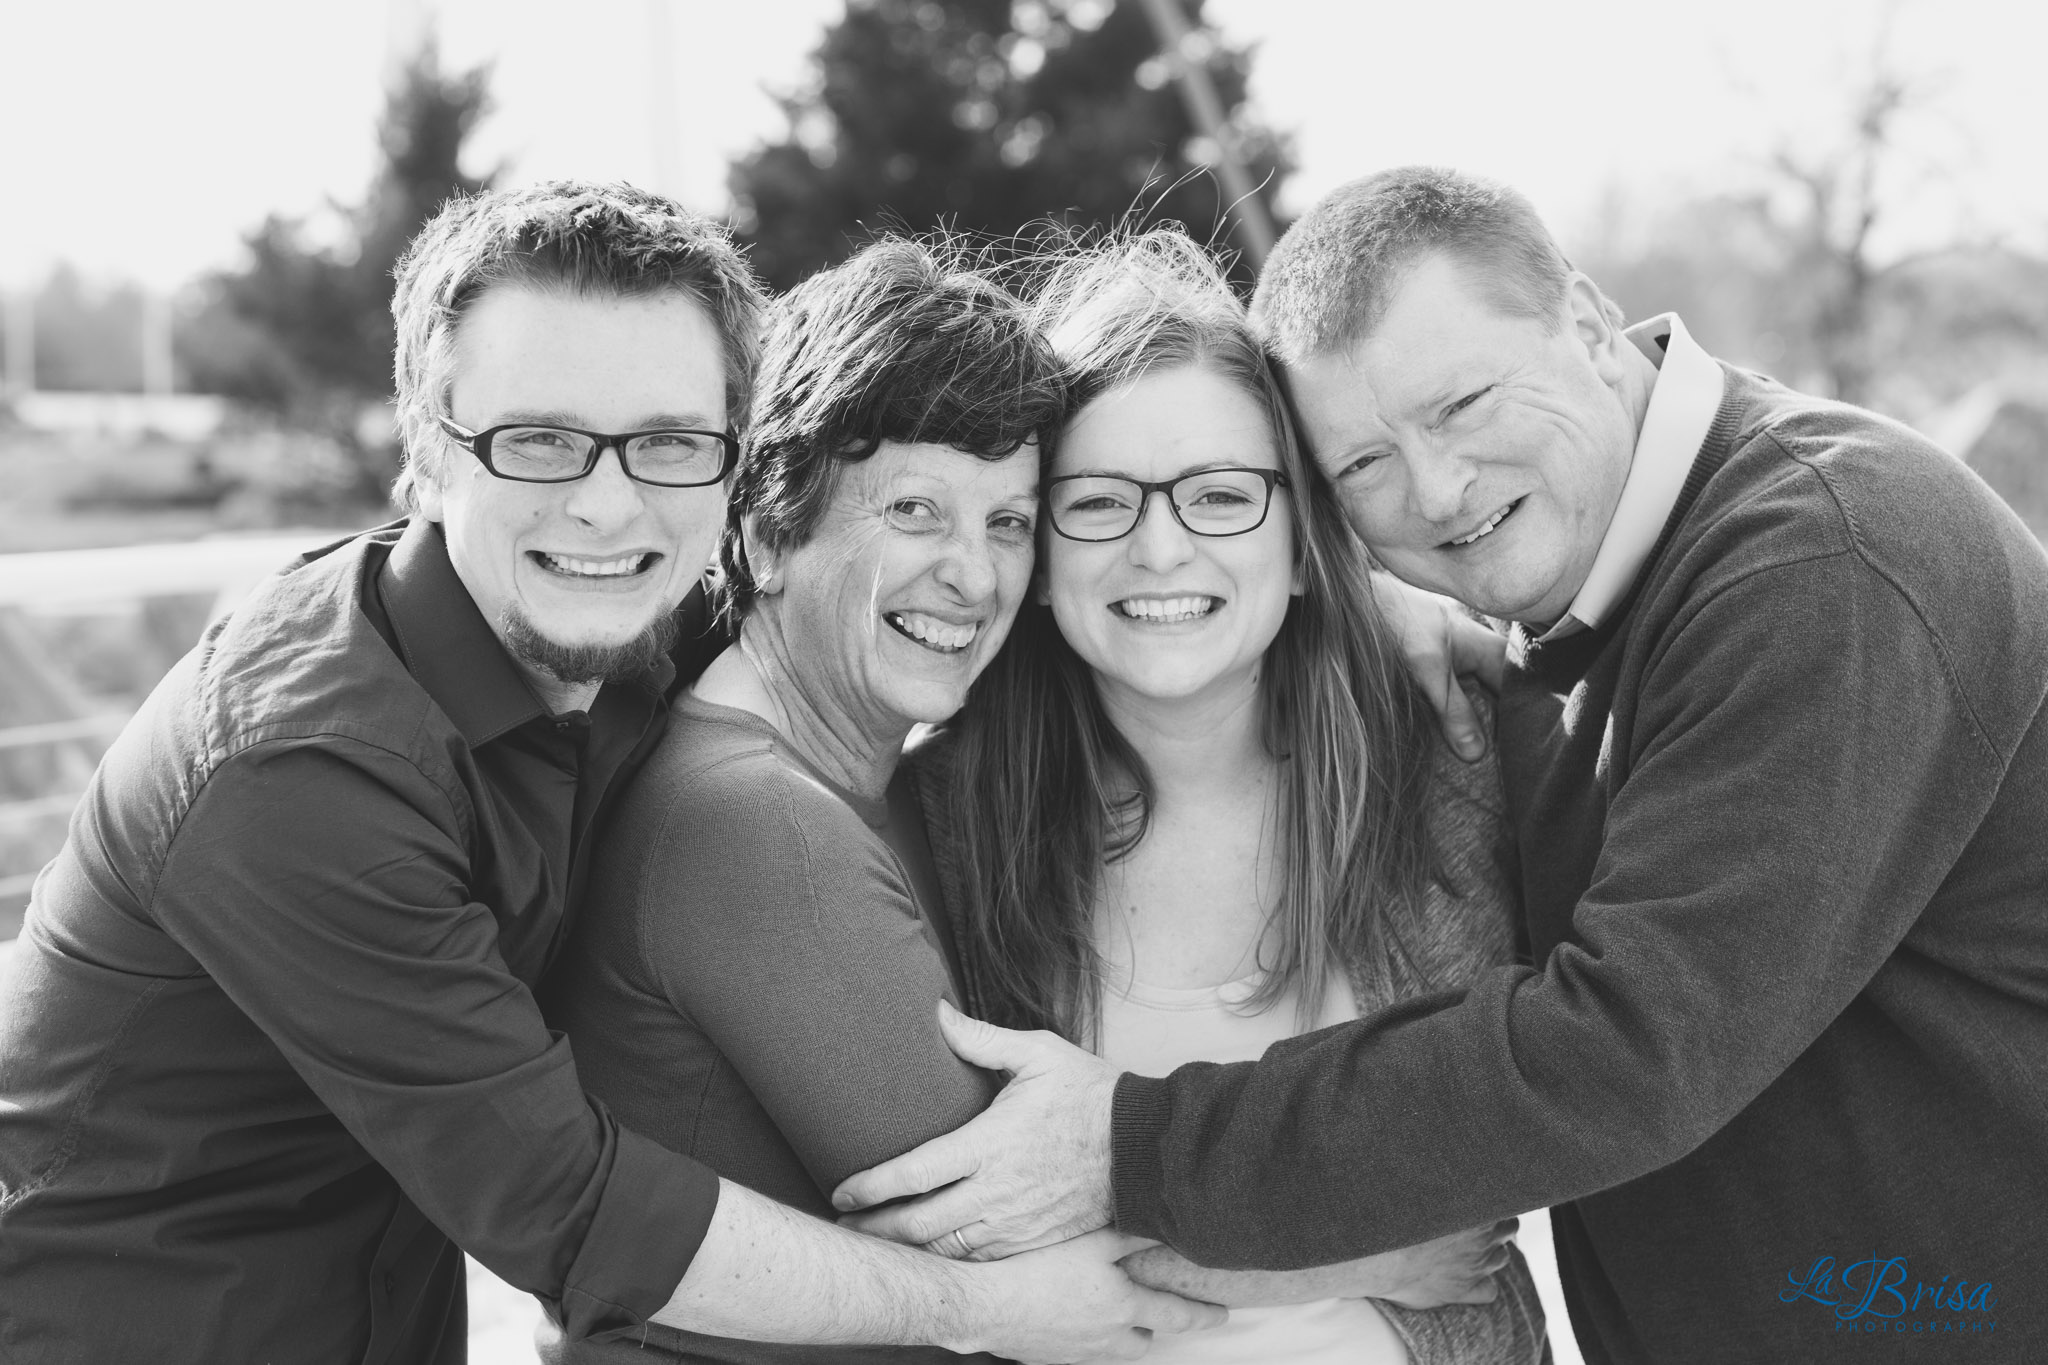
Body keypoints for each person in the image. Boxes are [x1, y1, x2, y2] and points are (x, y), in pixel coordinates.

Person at [833, 167, 2048, 1363]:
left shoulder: (1822, 566)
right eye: (1362, 465)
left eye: (1461, 404)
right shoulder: (1555, 622)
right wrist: (1371, 611)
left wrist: (1129, 1144)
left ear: (1587, 322)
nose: (1435, 490)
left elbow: (1627, 1051)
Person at [0, 182, 1218, 1365]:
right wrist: (982, 1306)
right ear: (428, 452)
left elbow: (838, 597)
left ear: (728, 473)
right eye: (539, 441)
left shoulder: (623, 632)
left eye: (667, 443)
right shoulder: (302, 776)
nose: (605, 504)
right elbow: (563, 1205)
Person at [538, 237, 1178, 1363]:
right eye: (916, 509)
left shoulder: (877, 777)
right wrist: (1378, 1245)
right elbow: (1008, 1234)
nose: (974, 575)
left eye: (1008, 522)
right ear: (768, 531)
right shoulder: (756, 826)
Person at [914, 229, 1545, 1364]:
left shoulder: (1442, 765)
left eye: (1218, 495)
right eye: (1098, 502)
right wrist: (1354, 1253)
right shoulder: (946, 820)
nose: (1160, 550)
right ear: (1038, 553)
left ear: (1300, 543)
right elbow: (945, 1229)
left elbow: (1528, 1131)